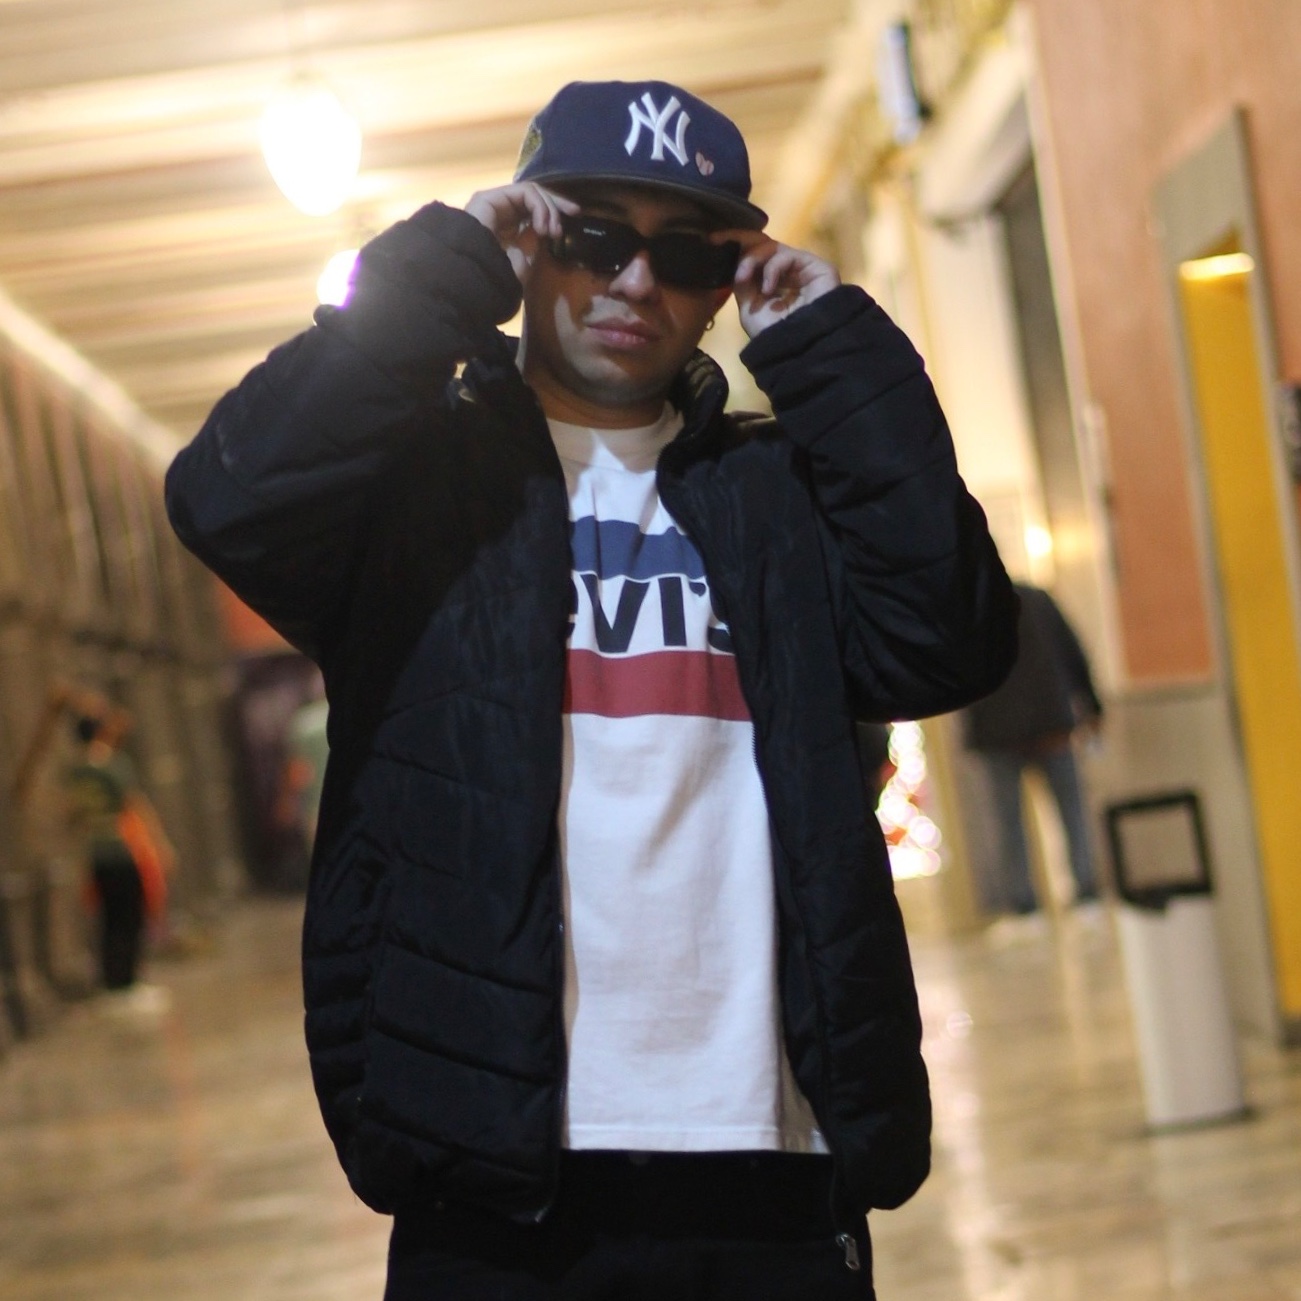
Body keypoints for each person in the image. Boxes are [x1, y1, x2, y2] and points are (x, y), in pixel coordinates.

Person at [166, 79, 1017, 1300]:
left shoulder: (777, 494)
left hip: (772, 1151)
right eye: (596, 237)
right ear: (528, 244)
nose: (636, 282)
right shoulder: (410, 494)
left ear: (723, 284)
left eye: (685, 253)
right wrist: (442, 271)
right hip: (492, 1171)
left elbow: (950, 641)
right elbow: (225, 495)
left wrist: (832, 349)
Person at [962, 582, 1102, 915]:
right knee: (1069, 811)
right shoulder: (1036, 600)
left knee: (1009, 822)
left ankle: (1023, 902)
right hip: (1046, 725)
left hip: (1003, 731)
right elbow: (1072, 652)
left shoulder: (970, 610)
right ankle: (1084, 890)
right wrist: (1091, 706)